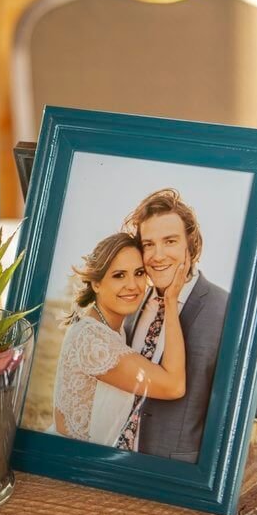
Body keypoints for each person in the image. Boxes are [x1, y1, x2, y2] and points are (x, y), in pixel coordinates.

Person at [121, 188, 230, 462]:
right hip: (119, 461)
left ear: (190, 244)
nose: (158, 255)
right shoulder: (132, 304)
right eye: (148, 244)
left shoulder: (225, 308)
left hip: (178, 474)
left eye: (169, 241)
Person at [52, 232, 187, 446]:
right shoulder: (92, 340)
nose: (132, 285)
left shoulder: (111, 329)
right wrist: (171, 300)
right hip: (69, 467)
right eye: (119, 275)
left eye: (139, 273)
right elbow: (174, 386)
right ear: (96, 283)